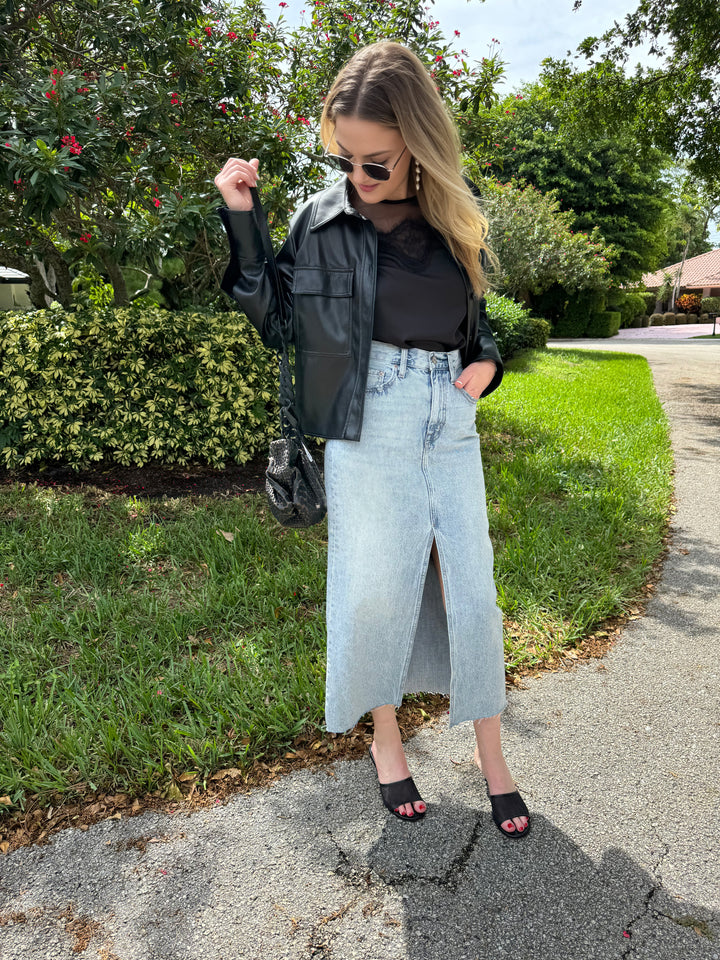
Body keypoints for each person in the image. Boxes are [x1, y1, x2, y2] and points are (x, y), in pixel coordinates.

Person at [214, 40, 530, 838]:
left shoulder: (454, 208)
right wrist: (243, 222)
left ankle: (495, 758)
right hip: (369, 415)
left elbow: (477, 321)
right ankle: (387, 742)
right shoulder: (321, 219)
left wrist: (486, 363)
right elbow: (279, 320)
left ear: (418, 142)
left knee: (472, 591)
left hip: (449, 418)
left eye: (377, 162)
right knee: (377, 587)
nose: (359, 176)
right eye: (346, 157)